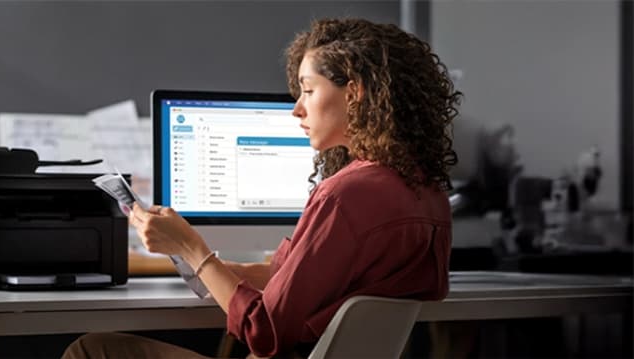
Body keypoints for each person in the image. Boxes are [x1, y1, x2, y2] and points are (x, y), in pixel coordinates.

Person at [63, 17, 461, 359]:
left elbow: (266, 332)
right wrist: (228, 272)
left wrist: (190, 248)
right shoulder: (428, 193)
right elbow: (316, 277)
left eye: (308, 90)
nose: (296, 109)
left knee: (91, 349)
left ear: (354, 92)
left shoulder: (344, 195)